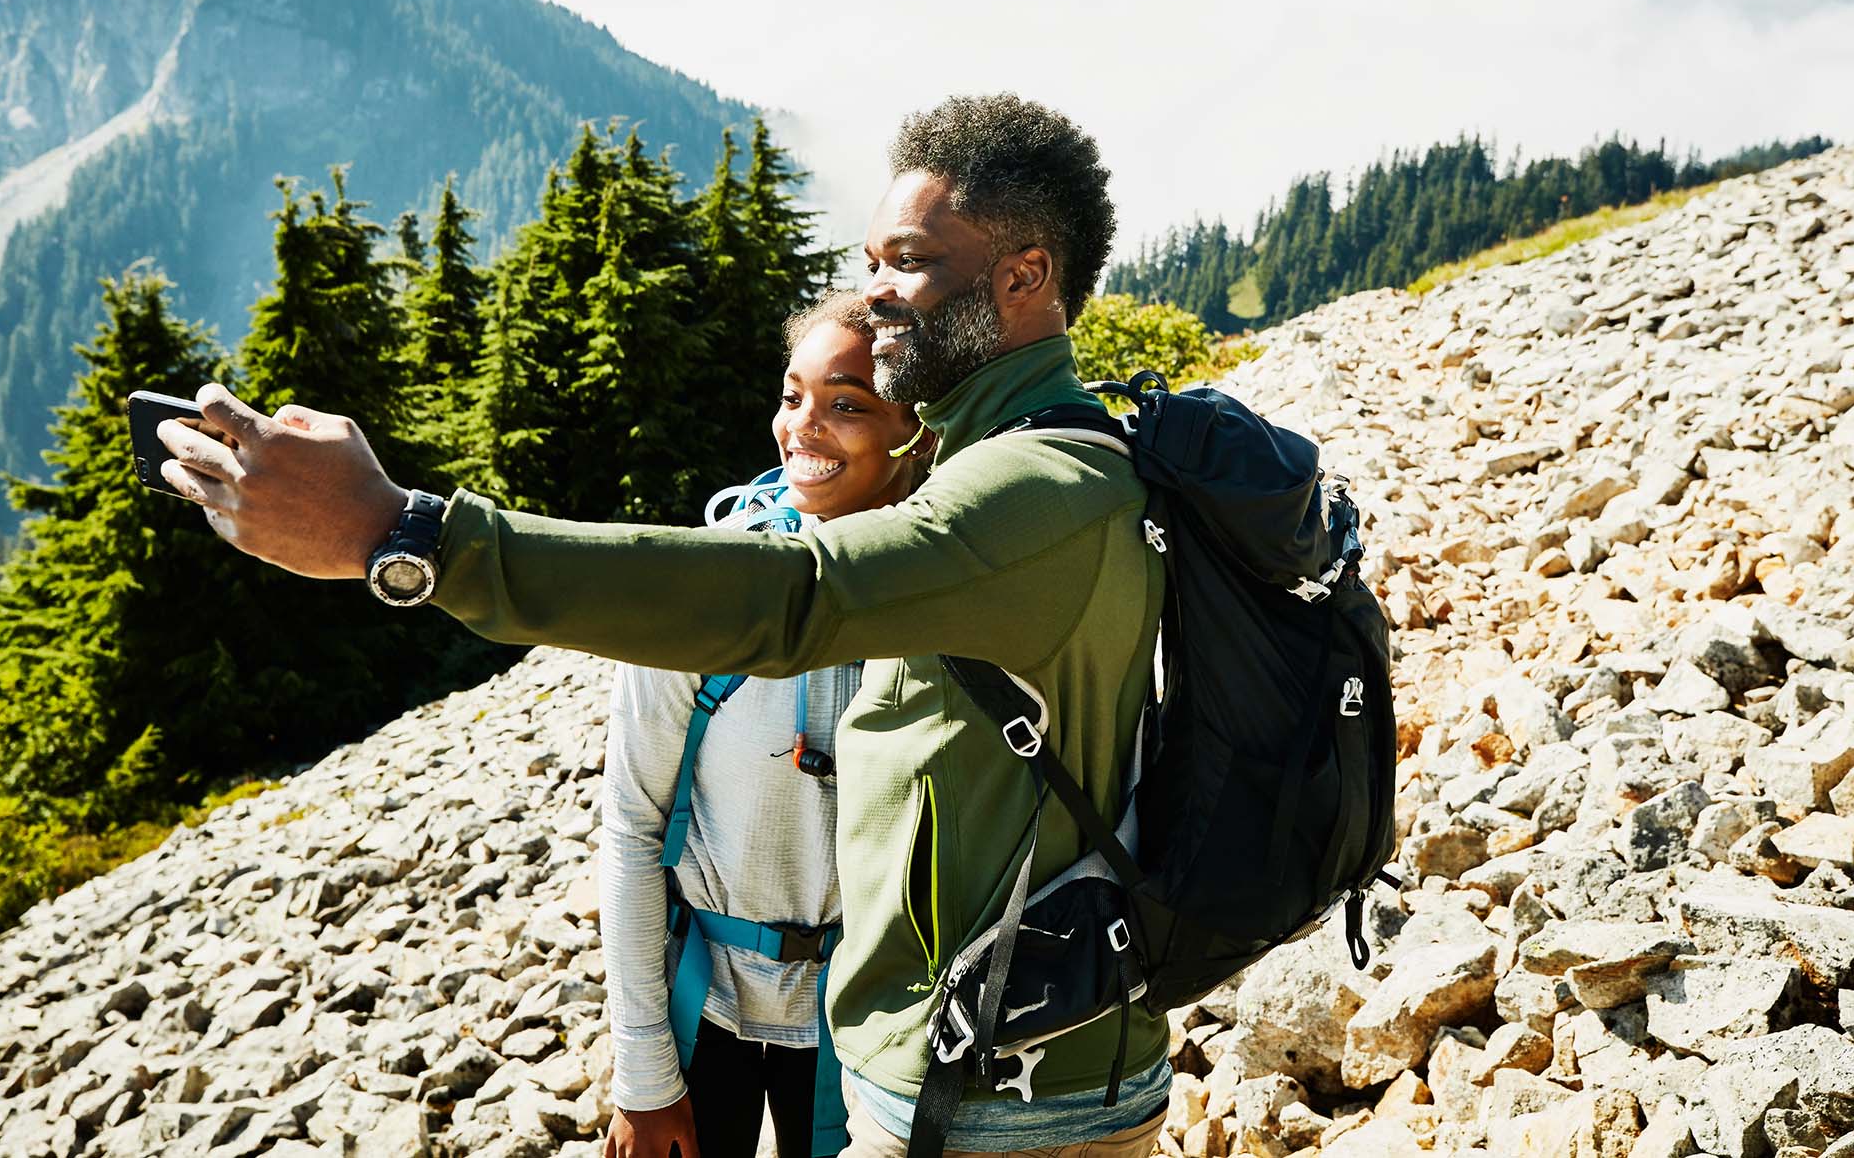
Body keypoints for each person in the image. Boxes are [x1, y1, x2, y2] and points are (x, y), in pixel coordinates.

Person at [160, 95, 1173, 1158]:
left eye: (909, 262)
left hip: (1001, 1102)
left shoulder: (1024, 490)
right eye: (870, 259)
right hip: (1021, 1054)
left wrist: (403, 532)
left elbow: (785, 596)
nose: (873, 296)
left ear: (1024, 277)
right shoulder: (1037, 460)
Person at [604, 291, 930, 1158]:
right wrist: (642, 1076)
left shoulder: (948, 602)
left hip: (880, 1030)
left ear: (918, 432)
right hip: (702, 1006)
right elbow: (633, 827)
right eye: (793, 397)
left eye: (848, 404)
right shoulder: (706, 593)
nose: (803, 429)